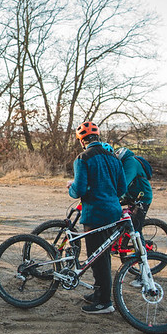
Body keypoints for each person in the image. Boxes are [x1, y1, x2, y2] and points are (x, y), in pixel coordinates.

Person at [68, 121, 127, 315]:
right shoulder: (114, 157)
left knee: (97, 257)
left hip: (95, 213)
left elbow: (79, 190)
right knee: (103, 255)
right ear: (98, 137)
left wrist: (71, 188)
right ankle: (99, 293)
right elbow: (122, 188)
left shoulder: (83, 158)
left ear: (82, 141)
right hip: (114, 212)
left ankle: (104, 302)